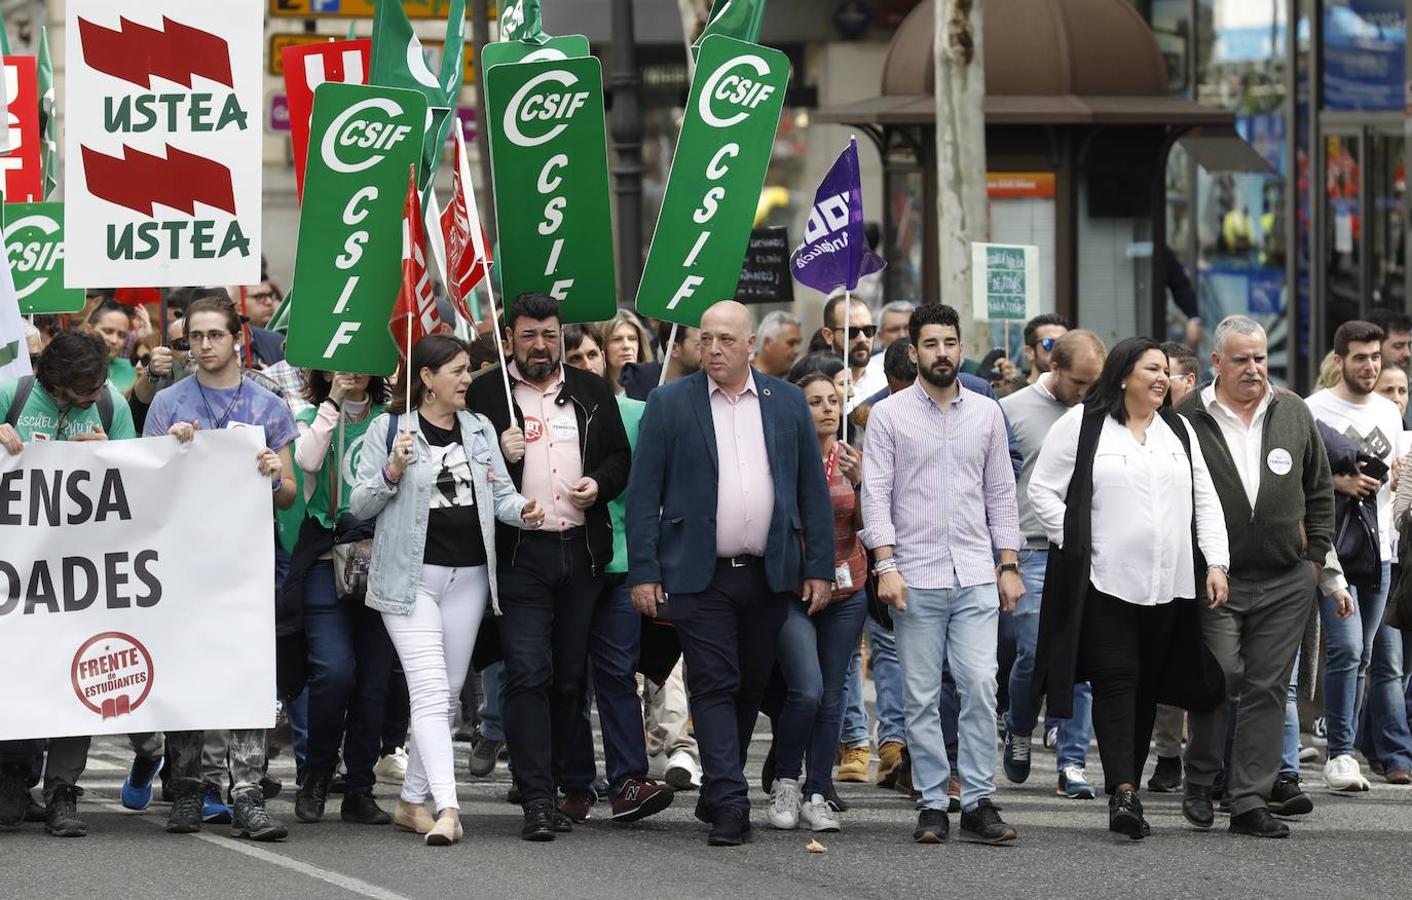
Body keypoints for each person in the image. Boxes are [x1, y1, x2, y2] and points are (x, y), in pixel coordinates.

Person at [626, 300, 833, 847]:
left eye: (725, 339)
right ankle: (731, 801)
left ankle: (721, 786)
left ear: (749, 346)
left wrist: (818, 568)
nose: (713, 348)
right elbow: (644, 494)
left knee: (749, 685)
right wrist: (644, 571)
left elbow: (810, 490)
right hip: (700, 574)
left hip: (768, 573)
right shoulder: (670, 404)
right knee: (714, 683)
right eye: (706, 339)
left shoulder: (786, 403)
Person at [1030, 337, 1230, 840]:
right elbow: (1043, 491)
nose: (1163, 378)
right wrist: (1079, 544)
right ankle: (1122, 792)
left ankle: (1130, 784)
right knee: (1117, 678)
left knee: (1145, 688)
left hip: (1170, 585)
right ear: (1123, 375)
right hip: (1105, 582)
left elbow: (1204, 501)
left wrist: (1217, 564)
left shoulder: (1179, 431)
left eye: (1166, 371)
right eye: (1151, 369)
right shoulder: (1083, 424)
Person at [350, 334, 540, 846]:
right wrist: (392, 469)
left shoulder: (479, 428)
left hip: (470, 577)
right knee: (432, 693)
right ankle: (448, 809)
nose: (466, 379)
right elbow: (359, 505)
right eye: (456, 370)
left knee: (448, 696)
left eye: (466, 370)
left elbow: (499, 494)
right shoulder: (389, 428)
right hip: (410, 582)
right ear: (427, 379)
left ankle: (412, 803)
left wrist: (522, 509)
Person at [466, 293, 632, 842]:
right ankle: (535, 795)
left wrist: (599, 485)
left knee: (568, 679)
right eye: (530, 335)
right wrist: (499, 453)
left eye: (550, 335)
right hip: (520, 553)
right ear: (509, 338)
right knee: (528, 672)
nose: (542, 346)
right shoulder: (487, 393)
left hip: (580, 550)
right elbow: (457, 466)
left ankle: (562, 784)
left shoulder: (589, 389)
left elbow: (618, 459)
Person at [861, 303, 1025, 846]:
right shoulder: (888, 416)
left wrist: (1009, 564)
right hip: (914, 576)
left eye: (950, 343)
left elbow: (1001, 493)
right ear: (914, 352)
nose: (942, 353)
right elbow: (876, 495)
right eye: (930, 344)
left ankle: (978, 799)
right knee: (921, 696)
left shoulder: (986, 413)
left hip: (977, 570)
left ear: (960, 347)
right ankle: (933, 800)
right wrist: (884, 566)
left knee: (980, 684)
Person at [143, 296, 300, 841]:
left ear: (237, 337)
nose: (203, 345)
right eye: (194, 337)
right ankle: (186, 790)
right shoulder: (167, 403)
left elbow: (287, 496)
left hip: (247, 564)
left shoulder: (267, 405)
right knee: (186, 672)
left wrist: (274, 473)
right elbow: (147, 490)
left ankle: (248, 794)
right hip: (183, 563)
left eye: (214, 335)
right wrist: (170, 450)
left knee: (246, 674)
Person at [1176, 316, 1336, 838]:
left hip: (1286, 578)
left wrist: (1315, 561)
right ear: (1217, 362)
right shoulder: (1188, 416)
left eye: (1260, 358)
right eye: (1241, 359)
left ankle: (1248, 800)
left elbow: (1319, 490)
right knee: (1219, 677)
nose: (1253, 369)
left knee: (1268, 688)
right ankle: (1201, 781)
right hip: (1216, 578)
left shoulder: (1291, 410)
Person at [0, 330, 141, 838]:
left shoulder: (109, 405)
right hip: (18, 575)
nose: (93, 396)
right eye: (82, 392)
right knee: (19, 673)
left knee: (82, 674)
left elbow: (144, 481)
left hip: (85, 575)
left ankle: (64, 791)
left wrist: (111, 456)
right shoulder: (11, 395)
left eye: (99, 385)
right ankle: (12, 778)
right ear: (52, 384)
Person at [558, 323, 677, 822]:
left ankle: (628, 780)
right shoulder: (551, 418)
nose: (586, 364)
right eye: (576, 358)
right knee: (567, 679)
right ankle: (575, 784)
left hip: (624, 564)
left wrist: (655, 563)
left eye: (592, 355)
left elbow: (656, 493)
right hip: (569, 562)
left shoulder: (639, 414)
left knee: (617, 672)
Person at [286, 370, 399, 827]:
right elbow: (307, 462)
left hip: (381, 552)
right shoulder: (313, 416)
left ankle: (359, 788)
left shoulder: (392, 422)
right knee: (334, 671)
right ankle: (315, 775)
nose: (349, 371)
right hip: (325, 552)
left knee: (375, 679)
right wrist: (333, 402)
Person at [998, 330, 1106, 800]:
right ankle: (1020, 725)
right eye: (1080, 382)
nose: (1087, 392)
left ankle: (1073, 761)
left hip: (1086, 549)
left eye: (1095, 383)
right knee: (1032, 652)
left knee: (1081, 656)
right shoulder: (1011, 410)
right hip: (1032, 548)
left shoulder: (1104, 413)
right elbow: (997, 485)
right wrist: (1004, 558)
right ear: (1054, 369)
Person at [1306, 320, 1412, 791]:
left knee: (1367, 655)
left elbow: (1391, 484)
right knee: (1346, 648)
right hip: (1331, 549)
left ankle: (1360, 748)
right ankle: (1341, 753)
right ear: (1339, 360)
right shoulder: (1312, 410)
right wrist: (1336, 483)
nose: (1369, 366)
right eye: (1359, 358)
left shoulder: (1391, 412)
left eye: (1375, 357)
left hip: (1380, 551)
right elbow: (1296, 482)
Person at [766, 371, 869, 834]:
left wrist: (864, 484)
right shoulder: (782, 460)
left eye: (833, 400)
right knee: (805, 690)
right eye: (814, 401)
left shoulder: (856, 459)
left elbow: (876, 527)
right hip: (795, 591)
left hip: (849, 591)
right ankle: (786, 782)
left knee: (832, 695)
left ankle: (816, 792)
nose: (827, 408)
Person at [1148, 338, 1204, 793]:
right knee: (1165, 658)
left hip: (1215, 557)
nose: (1158, 381)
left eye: (1166, 373)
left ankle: (1211, 760)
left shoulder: (1206, 420)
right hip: (1168, 557)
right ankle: (1168, 754)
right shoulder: (1150, 423)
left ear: (1189, 379)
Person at [620, 320, 702, 401]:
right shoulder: (639, 383)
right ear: (673, 348)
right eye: (699, 344)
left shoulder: (709, 386)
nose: (710, 350)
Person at [85, 298, 143, 395]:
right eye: (108, 331)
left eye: (121, 335)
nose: (114, 340)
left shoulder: (135, 369)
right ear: (88, 330)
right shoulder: (71, 367)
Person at [1010, 313, 1070, 394]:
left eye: (1064, 343)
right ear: (1029, 352)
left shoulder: (1079, 394)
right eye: (1049, 343)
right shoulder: (1009, 395)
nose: (1058, 349)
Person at [601, 309, 653, 396]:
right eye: (617, 339)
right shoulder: (594, 392)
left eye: (632, 338)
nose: (626, 346)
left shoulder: (656, 386)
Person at [754, 310, 803, 378]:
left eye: (799, 343)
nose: (797, 351)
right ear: (768, 343)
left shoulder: (797, 380)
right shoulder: (742, 376)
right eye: (791, 343)